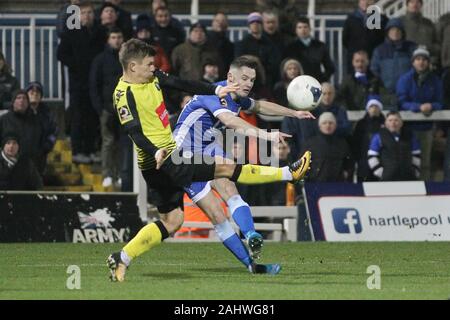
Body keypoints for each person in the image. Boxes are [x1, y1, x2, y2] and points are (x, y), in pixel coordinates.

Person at [106, 39, 312, 282]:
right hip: (171, 156)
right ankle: (289, 174)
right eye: (150, 64)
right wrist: (154, 151)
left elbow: (181, 83)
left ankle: (122, 256)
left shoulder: (152, 78)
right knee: (226, 172)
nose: (155, 67)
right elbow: (134, 131)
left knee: (172, 221)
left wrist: (294, 112)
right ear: (132, 66)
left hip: (164, 161)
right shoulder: (123, 95)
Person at [173, 56, 315, 273]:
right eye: (245, 78)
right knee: (221, 189)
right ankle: (288, 173)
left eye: (252, 80)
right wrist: (266, 135)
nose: (249, 84)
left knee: (225, 201)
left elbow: (259, 106)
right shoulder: (213, 92)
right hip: (183, 152)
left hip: (207, 146)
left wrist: (294, 112)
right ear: (230, 77)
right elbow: (231, 122)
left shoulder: (237, 98)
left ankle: (251, 247)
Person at [57, 1, 106, 164]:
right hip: (78, 83)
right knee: (79, 116)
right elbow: (61, 54)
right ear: (77, 16)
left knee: (93, 117)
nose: (87, 16)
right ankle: (78, 150)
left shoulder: (99, 33)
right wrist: (77, 65)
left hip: (95, 83)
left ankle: (91, 149)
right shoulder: (70, 33)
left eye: (90, 13)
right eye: (84, 13)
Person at [396, 48, 443, 181]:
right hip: (407, 129)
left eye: (424, 59)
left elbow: (440, 102)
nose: (421, 62)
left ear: (428, 62)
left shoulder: (435, 80)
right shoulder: (404, 79)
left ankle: (425, 189)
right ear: (413, 62)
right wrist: (418, 107)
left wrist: (431, 106)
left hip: (426, 129)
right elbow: (401, 101)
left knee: (425, 163)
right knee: (408, 161)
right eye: (418, 59)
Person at [89, 27, 124, 188]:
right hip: (107, 108)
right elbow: (94, 85)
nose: (116, 40)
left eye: (119, 37)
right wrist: (99, 108)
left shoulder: (127, 60)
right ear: (108, 39)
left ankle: (120, 175)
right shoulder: (100, 59)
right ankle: (107, 174)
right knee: (108, 142)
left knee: (122, 143)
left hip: (125, 108)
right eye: (113, 37)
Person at [368, 111, 421, 181]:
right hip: (387, 180)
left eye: (396, 120)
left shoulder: (410, 136)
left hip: (408, 178)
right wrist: (381, 173)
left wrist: (415, 171)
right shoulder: (378, 137)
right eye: (390, 120)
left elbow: (416, 155)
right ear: (385, 123)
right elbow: (372, 156)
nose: (393, 123)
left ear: (401, 123)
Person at [370, 18, 416, 97]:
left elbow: (416, 67)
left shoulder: (411, 48)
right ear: (387, 32)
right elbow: (374, 70)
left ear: (402, 32)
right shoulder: (379, 50)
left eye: (398, 30)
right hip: (387, 92)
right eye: (392, 30)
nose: (395, 32)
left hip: (408, 91)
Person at [301, 112, 353, 182]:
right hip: (315, 185)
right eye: (324, 123)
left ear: (335, 126)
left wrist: (346, 174)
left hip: (338, 185)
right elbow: (302, 165)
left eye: (331, 123)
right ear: (320, 126)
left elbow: (349, 164)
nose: (328, 125)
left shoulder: (342, 143)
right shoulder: (310, 144)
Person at [284, 17, 335, 83]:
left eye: (305, 27)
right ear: (296, 30)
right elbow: (285, 67)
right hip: (297, 84)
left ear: (310, 29)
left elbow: (330, 68)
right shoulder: (290, 47)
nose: (303, 30)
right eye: (300, 27)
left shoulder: (320, 46)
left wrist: (321, 79)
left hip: (315, 83)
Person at [235, 12, 280, 89]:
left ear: (262, 25)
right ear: (249, 26)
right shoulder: (242, 44)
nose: (255, 24)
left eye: (258, 22)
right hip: (247, 80)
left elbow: (274, 64)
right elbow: (238, 61)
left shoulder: (269, 43)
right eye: (252, 22)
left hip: (266, 82)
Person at [0, 90, 43, 170]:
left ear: (28, 103)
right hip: (7, 166)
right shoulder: (4, 120)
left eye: (24, 98)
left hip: (30, 166)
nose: (21, 100)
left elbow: (40, 143)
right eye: (18, 98)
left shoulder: (36, 120)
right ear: (13, 101)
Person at [342, 0, 388, 72]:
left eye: (369, 0)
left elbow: (384, 38)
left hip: (374, 57)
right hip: (356, 58)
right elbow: (345, 40)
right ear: (359, 2)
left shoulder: (381, 19)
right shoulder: (351, 19)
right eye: (363, 0)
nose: (366, 3)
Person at [26, 81, 58, 175]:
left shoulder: (47, 114)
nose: (35, 94)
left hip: (41, 154)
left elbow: (54, 131)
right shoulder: (21, 111)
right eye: (32, 92)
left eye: (38, 93)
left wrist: (48, 144)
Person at [351, 97, 385, 182]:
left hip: (381, 162)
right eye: (371, 106)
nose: (373, 109)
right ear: (367, 108)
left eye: (376, 106)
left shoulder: (385, 123)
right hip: (363, 162)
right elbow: (355, 143)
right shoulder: (360, 124)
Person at [399, 0, 440, 68]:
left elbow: (437, 45)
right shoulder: (400, 22)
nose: (415, 4)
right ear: (407, 5)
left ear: (421, 5)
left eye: (417, 2)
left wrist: (427, 49)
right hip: (405, 64)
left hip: (426, 64)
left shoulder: (428, 23)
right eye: (412, 2)